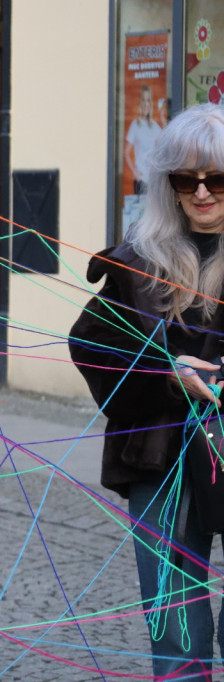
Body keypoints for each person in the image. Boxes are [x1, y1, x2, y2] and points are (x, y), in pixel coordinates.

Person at [70, 102, 224, 679]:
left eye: (217, 178)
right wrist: (164, 375)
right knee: (176, 623)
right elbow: (90, 346)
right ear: (170, 186)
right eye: (188, 179)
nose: (203, 192)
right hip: (160, 454)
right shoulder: (138, 262)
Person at [125, 84, 165, 195]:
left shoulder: (153, 125)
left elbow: (167, 138)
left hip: (153, 181)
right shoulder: (135, 125)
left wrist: (162, 116)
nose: (146, 104)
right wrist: (135, 172)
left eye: (148, 100)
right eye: (143, 100)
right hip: (141, 181)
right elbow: (126, 153)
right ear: (140, 103)